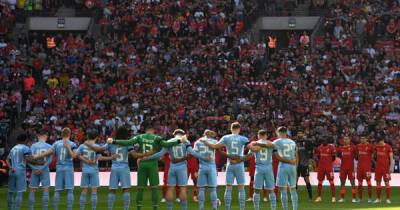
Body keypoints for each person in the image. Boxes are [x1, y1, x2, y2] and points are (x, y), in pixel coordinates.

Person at [107, 124, 187, 210]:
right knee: (154, 188)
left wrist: (114, 141)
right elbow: (166, 144)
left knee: (140, 189)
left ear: (146, 130)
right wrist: (179, 141)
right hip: (152, 164)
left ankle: (139, 208)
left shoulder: (140, 137)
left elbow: (128, 142)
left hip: (142, 164)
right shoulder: (157, 138)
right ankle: (155, 208)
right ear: (152, 130)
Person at [143, 129, 209, 210]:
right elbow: (193, 153)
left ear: (174, 134)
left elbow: (160, 154)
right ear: (183, 134)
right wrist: (204, 157)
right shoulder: (186, 141)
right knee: (183, 189)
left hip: (172, 167)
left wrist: (148, 158)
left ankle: (170, 208)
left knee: (170, 189)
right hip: (182, 167)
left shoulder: (169, 141)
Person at [85, 126, 142, 210]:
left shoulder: (111, 142)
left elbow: (100, 149)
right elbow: (134, 155)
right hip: (124, 168)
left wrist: (88, 144)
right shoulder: (127, 142)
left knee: (112, 190)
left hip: (114, 168)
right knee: (126, 190)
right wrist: (140, 151)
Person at [200, 122, 249, 210]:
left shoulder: (226, 137)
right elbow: (251, 150)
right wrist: (240, 159)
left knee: (228, 187)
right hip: (239, 164)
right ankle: (242, 208)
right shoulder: (243, 138)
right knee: (241, 187)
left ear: (231, 128)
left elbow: (215, 147)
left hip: (230, 164)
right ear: (239, 129)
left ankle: (227, 208)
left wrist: (205, 141)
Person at [247, 129, 296, 210]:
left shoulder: (254, 144)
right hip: (269, 168)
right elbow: (276, 154)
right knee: (271, 190)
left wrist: (240, 159)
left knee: (256, 190)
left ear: (258, 135)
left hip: (258, 168)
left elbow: (249, 155)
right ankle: (273, 208)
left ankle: (256, 208)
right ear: (266, 136)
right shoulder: (271, 143)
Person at [76, 129, 119, 210]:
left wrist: (86, 161)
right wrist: (111, 157)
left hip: (85, 170)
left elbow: (77, 155)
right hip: (94, 170)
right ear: (96, 137)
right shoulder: (97, 146)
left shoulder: (82, 146)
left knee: (84, 191)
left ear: (88, 136)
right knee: (94, 192)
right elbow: (100, 158)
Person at [7, 133, 46, 210]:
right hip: (20, 171)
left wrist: (10, 167)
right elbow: (28, 159)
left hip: (12, 171)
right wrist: (38, 162)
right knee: (19, 192)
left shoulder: (13, 148)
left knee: (10, 192)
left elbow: (7, 159)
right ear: (25, 140)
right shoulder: (25, 148)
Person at [52, 127, 78, 210]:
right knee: (70, 190)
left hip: (59, 168)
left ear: (61, 134)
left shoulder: (56, 144)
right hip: (68, 168)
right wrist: (68, 148)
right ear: (70, 134)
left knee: (57, 190)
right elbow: (74, 156)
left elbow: (50, 153)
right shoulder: (72, 144)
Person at [193, 130, 219, 210]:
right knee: (213, 189)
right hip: (211, 166)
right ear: (211, 134)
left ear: (204, 134)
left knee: (201, 189)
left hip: (202, 167)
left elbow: (194, 154)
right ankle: (214, 207)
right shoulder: (215, 141)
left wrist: (203, 157)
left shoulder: (198, 142)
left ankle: (201, 208)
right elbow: (219, 150)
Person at [28, 131, 53, 210]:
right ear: (46, 136)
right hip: (44, 169)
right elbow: (50, 160)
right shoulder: (49, 146)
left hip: (35, 170)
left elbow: (29, 159)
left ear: (38, 136)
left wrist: (35, 168)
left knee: (32, 190)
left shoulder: (33, 146)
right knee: (45, 190)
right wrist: (42, 168)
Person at [315, 137, 336, 203]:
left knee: (331, 181)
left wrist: (328, 162)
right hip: (321, 167)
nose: (324, 141)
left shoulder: (331, 147)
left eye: (325, 140)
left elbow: (333, 158)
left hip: (328, 167)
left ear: (327, 141)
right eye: (323, 140)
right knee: (320, 182)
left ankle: (333, 197)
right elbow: (318, 157)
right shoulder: (319, 148)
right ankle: (319, 197)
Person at [374, 134, 394, 204]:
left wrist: (391, 167)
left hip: (386, 168)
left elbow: (391, 158)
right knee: (378, 183)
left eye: (380, 142)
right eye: (378, 143)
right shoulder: (377, 147)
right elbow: (374, 156)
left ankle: (388, 199)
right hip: (378, 168)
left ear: (383, 140)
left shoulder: (388, 147)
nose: (379, 144)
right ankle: (378, 199)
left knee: (387, 183)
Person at [337, 136, 357, 202]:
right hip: (343, 168)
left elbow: (356, 156)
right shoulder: (340, 148)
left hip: (350, 168)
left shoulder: (353, 148)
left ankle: (354, 198)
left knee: (353, 183)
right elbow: (338, 155)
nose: (345, 140)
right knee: (342, 183)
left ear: (349, 140)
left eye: (347, 139)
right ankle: (342, 198)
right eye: (344, 139)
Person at [355, 135, 375, 202]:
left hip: (367, 168)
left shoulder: (370, 146)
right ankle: (360, 199)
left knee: (369, 183)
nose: (362, 139)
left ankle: (369, 198)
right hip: (359, 168)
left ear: (366, 139)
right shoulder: (358, 146)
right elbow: (356, 155)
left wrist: (371, 159)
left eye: (363, 138)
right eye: (361, 138)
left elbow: (374, 154)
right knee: (359, 184)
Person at [295, 131, 313, 201]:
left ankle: (310, 197)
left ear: (303, 134)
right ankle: (295, 197)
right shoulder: (294, 143)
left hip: (304, 164)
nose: (300, 134)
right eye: (298, 133)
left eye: (301, 133)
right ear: (297, 134)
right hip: (296, 165)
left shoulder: (307, 142)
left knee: (307, 181)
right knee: (295, 181)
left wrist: (310, 162)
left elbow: (311, 150)